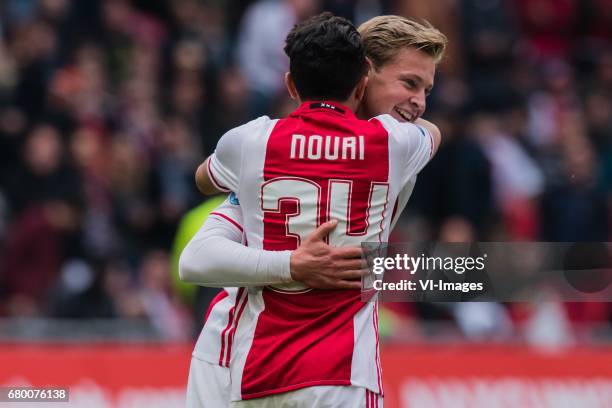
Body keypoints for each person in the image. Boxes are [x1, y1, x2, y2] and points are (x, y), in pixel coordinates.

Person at [182, 14, 447, 407]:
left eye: (426, 90)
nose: (419, 103)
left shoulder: (259, 150)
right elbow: (197, 259)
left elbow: (205, 179)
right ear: (364, 75)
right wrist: (293, 264)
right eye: (409, 83)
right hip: (253, 360)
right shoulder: (398, 147)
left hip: (259, 365)